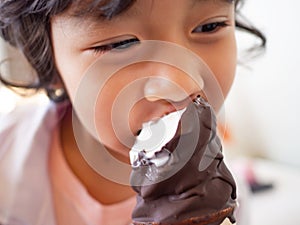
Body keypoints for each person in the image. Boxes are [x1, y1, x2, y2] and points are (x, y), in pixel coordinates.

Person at [0, 0, 266, 225]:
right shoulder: (6, 163)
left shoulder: (228, 196)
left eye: (209, 26)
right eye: (121, 44)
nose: (182, 85)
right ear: (46, 59)